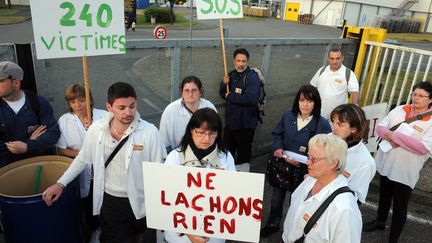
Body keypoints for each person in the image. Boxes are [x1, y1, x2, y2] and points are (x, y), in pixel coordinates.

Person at [42, 82, 166, 243]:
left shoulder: (150, 132)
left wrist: (160, 206)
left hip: (143, 202)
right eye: (122, 108)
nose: (128, 112)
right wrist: (60, 184)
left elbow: (158, 170)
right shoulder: (97, 130)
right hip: (111, 203)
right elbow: (82, 159)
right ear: (109, 107)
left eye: (132, 106)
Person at [363, 81, 432, 243]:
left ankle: (393, 238)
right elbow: (381, 127)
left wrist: (394, 137)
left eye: (421, 96)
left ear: (430, 99)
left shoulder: (430, 121)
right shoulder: (400, 109)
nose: (416, 98)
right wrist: (391, 135)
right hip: (387, 163)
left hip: (405, 171)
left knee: (400, 206)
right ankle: (380, 222)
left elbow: (422, 148)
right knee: (384, 196)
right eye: (414, 94)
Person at [260, 85, 331, 237]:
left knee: (298, 202)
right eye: (302, 100)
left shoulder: (322, 124)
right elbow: (277, 134)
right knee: (276, 199)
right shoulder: (288, 116)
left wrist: (310, 160)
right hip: (283, 165)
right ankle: (273, 223)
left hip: (305, 171)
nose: (305, 104)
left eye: (310, 101)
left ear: (316, 103)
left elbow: (326, 150)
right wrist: (278, 149)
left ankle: (293, 229)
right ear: (297, 101)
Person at [164, 108, 235, 243]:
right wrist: (187, 230)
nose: (207, 138)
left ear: (218, 134)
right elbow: (167, 200)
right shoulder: (175, 157)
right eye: (201, 132)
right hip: (179, 237)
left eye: (212, 133)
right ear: (191, 130)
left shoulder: (226, 157)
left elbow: (231, 196)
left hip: (214, 234)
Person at [282, 134, 362, 243]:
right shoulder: (310, 179)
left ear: (333, 163)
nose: (307, 162)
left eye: (314, 160)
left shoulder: (344, 210)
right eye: (308, 157)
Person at [56, 83, 107, 241]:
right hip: (81, 173)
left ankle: (104, 231)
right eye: (72, 102)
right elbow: (61, 150)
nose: (77, 105)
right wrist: (83, 154)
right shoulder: (64, 121)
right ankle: (92, 233)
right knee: (86, 206)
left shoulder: (104, 116)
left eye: (81, 100)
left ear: (90, 100)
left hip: (103, 170)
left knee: (105, 204)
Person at [0, 61, 60, 167]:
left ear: (16, 83)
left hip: (40, 166)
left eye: (1, 81)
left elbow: (53, 132)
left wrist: (27, 146)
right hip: (9, 171)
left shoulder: (37, 102)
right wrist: (28, 142)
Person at [219, 48, 260, 172]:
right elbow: (223, 94)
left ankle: (242, 185)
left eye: (244, 61)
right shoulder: (231, 74)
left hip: (245, 127)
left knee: (242, 160)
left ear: (247, 62)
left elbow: (251, 98)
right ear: (234, 61)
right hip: (230, 126)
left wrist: (231, 96)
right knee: (226, 156)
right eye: (238, 61)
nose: (241, 64)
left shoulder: (252, 77)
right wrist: (223, 83)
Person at [330, 104, 376, 204]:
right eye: (333, 122)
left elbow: (356, 199)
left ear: (354, 129)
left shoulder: (365, 162)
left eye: (340, 124)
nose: (334, 128)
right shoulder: (327, 139)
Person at [159, 75, 217, 153]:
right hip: (179, 154)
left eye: (194, 90)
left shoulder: (209, 106)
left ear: (200, 92)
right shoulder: (170, 111)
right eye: (186, 90)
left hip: (206, 151)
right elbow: (164, 142)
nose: (190, 94)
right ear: (181, 92)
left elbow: (215, 133)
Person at [310, 48, 359, 119]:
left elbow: (355, 92)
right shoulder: (322, 70)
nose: (334, 61)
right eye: (332, 58)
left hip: (337, 118)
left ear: (342, 58)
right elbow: (312, 88)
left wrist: (355, 110)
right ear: (328, 59)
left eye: (337, 58)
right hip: (317, 114)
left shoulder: (348, 73)